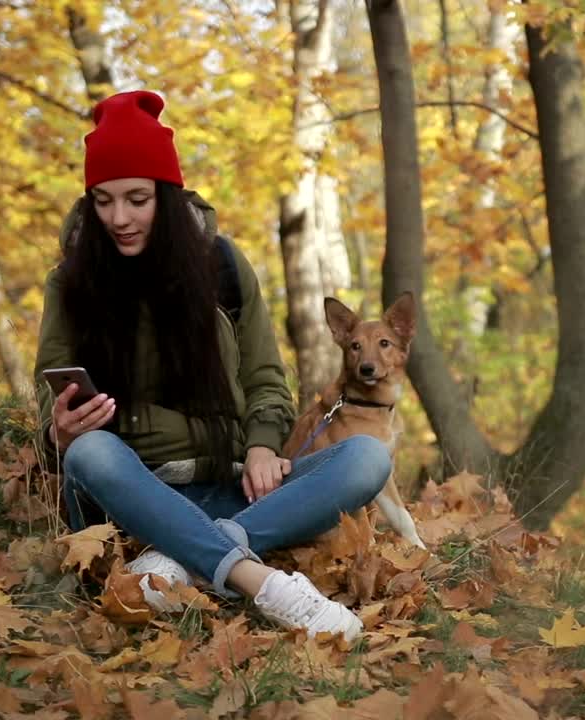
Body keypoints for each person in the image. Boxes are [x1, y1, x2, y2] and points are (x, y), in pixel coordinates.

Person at [33, 90, 389, 641]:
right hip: (133, 490)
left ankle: (180, 560)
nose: (119, 218)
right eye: (102, 201)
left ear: (167, 195)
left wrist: (263, 445)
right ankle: (262, 582)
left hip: (231, 485)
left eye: (136, 199)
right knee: (91, 451)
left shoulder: (221, 265)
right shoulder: (71, 282)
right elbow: (51, 386)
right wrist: (58, 425)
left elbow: (267, 378)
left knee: (366, 457)